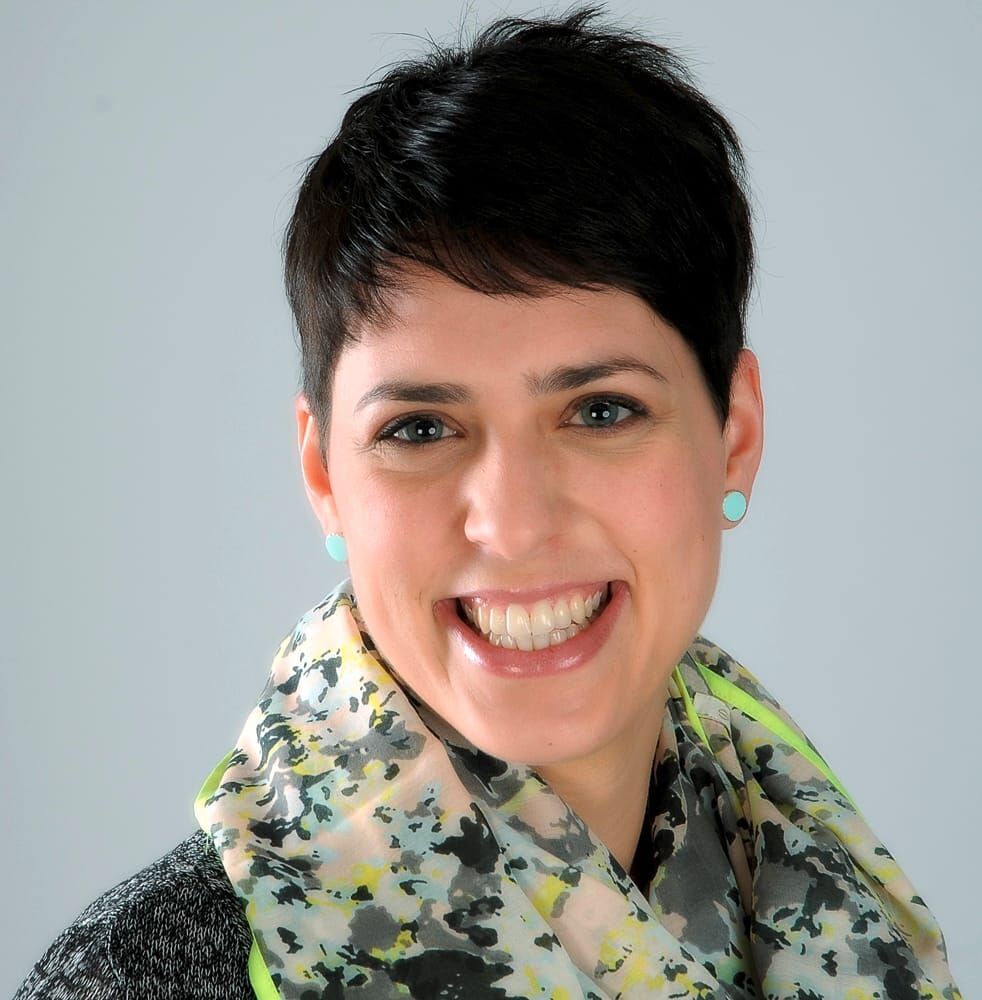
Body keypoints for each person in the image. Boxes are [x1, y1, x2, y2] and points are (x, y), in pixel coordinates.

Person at [14, 5, 962, 999]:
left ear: (735, 436)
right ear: (324, 475)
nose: (512, 525)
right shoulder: (141, 977)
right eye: (420, 428)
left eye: (600, 411)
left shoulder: (838, 908)